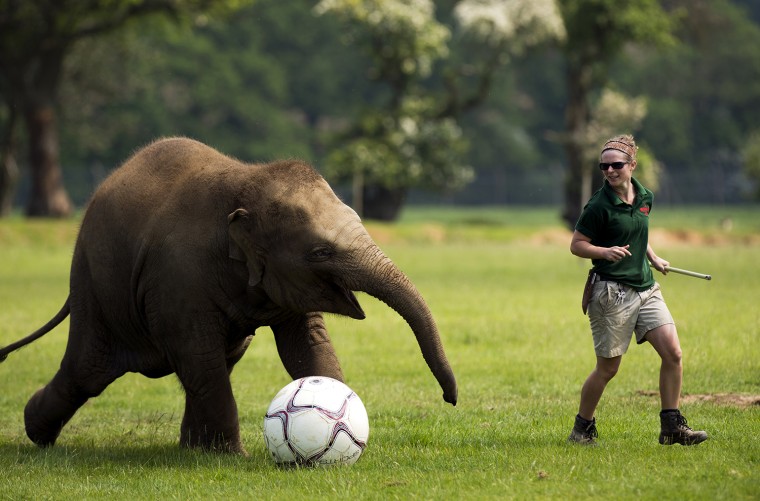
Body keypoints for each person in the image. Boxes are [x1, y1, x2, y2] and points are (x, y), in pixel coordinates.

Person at [567, 134, 708, 446]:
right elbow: (576, 245)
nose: (609, 170)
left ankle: (672, 427)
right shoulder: (598, 205)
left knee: (673, 353)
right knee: (608, 369)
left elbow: (636, 231)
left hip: (646, 288)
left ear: (632, 165)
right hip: (611, 293)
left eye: (616, 164)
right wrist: (604, 252)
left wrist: (652, 256)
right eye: (604, 166)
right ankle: (581, 429)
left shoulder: (645, 196)